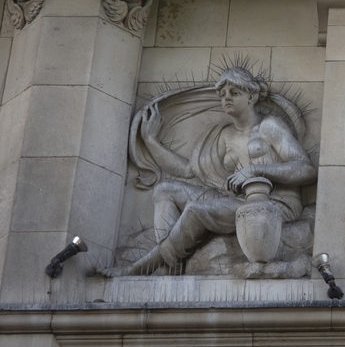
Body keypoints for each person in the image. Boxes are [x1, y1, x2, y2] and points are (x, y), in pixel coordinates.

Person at [101, 66, 316, 276]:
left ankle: (145, 265)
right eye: (222, 94)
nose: (226, 98)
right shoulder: (223, 135)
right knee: (164, 189)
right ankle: (171, 266)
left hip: (271, 203)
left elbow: (306, 169)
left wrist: (256, 170)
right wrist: (150, 140)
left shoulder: (269, 126)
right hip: (233, 197)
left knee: (196, 210)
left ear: (251, 97)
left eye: (234, 93)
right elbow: (186, 170)